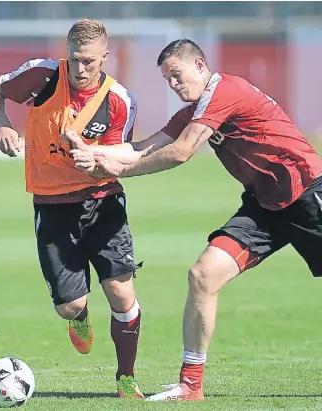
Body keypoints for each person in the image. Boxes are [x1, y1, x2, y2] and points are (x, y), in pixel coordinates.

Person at [70, 39, 322, 401]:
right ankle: (191, 385)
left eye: (177, 75)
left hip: (307, 193)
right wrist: (91, 151)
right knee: (203, 275)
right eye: (167, 80)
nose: (173, 85)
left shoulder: (225, 91)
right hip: (264, 207)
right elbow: (144, 146)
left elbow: (180, 152)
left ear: (200, 64)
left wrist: (120, 170)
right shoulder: (196, 108)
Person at [0, 18, 146, 399]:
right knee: (70, 306)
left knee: (121, 292)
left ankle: (125, 377)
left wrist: (97, 161)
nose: (81, 69)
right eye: (74, 59)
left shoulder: (120, 100)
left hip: (103, 202)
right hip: (52, 206)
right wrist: (3, 123)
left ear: (105, 56)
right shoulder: (42, 76)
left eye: (89, 60)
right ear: (65, 53)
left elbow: (125, 157)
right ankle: (81, 317)